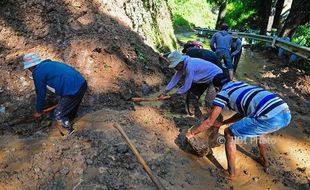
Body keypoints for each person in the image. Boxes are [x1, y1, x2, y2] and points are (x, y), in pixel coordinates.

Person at [186, 73, 291, 179]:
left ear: (217, 87)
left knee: (229, 133)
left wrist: (191, 133)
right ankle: (264, 161)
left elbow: (209, 121)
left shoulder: (223, 93)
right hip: (284, 113)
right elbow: (244, 112)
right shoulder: (240, 84)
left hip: (269, 117)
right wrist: (223, 122)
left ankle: (231, 173)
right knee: (262, 133)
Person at [22, 53, 87, 135]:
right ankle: (72, 123)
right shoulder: (49, 64)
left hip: (71, 90)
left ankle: (69, 135)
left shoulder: (37, 72)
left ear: (30, 67)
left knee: (58, 114)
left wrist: (39, 111)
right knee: (70, 110)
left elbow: (41, 93)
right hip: (82, 83)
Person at [159, 51, 222, 117]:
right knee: (192, 96)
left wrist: (176, 94)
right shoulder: (182, 65)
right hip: (204, 77)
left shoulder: (189, 66)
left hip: (216, 76)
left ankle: (215, 118)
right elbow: (174, 79)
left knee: (209, 100)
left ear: (180, 62)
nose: (175, 68)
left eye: (175, 66)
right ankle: (195, 115)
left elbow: (187, 86)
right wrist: (164, 92)